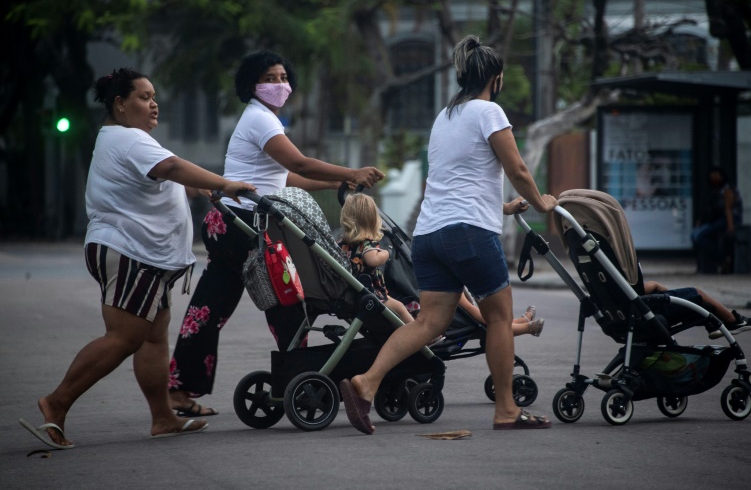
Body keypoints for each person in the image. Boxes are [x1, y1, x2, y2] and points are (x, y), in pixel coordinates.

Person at [19, 68, 255, 450]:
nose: (153, 103)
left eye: (154, 96)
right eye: (144, 97)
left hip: (147, 255)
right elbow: (172, 167)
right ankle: (56, 402)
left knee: (153, 338)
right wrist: (222, 182)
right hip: (131, 251)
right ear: (119, 104)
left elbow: (172, 177)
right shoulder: (127, 139)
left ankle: (163, 418)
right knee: (124, 337)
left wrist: (204, 187)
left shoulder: (131, 141)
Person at [339, 35, 558, 434]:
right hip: (469, 234)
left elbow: (459, 181)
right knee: (499, 317)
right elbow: (519, 171)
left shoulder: (445, 117)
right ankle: (507, 409)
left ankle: (366, 383)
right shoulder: (489, 112)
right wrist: (543, 203)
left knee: (429, 324)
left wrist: (503, 208)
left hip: (429, 235)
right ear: (496, 76)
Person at [168, 50, 385, 416]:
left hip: (231, 224)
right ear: (252, 85)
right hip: (246, 227)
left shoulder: (263, 120)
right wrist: (349, 173)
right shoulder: (260, 119)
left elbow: (286, 178)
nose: (279, 85)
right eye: (270, 78)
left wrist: (333, 183)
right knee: (289, 302)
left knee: (209, 309)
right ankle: (300, 377)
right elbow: (298, 161)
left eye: (283, 77)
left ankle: (180, 390)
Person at [340, 193, 445, 345]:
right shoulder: (367, 243)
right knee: (401, 309)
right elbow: (372, 259)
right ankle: (423, 337)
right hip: (372, 293)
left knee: (400, 309)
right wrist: (385, 253)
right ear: (372, 219)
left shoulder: (343, 243)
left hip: (354, 291)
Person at [642, 280, 751, 339]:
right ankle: (733, 321)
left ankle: (712, 324)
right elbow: (637, 289)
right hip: (651, 307)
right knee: (696, 293)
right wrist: (654, 284)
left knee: (702, 306)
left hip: (642, 309)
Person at [690, 167, 743, 274]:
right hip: (718, 220)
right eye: (712, 177)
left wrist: (730, 226)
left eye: (716, 176)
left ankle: (723, 259)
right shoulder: (715, 190)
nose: (714, 179)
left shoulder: (727, 189)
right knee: (694, 234)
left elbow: (728, 209)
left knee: (699, 236)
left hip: (729, 219)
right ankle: (720, 260)